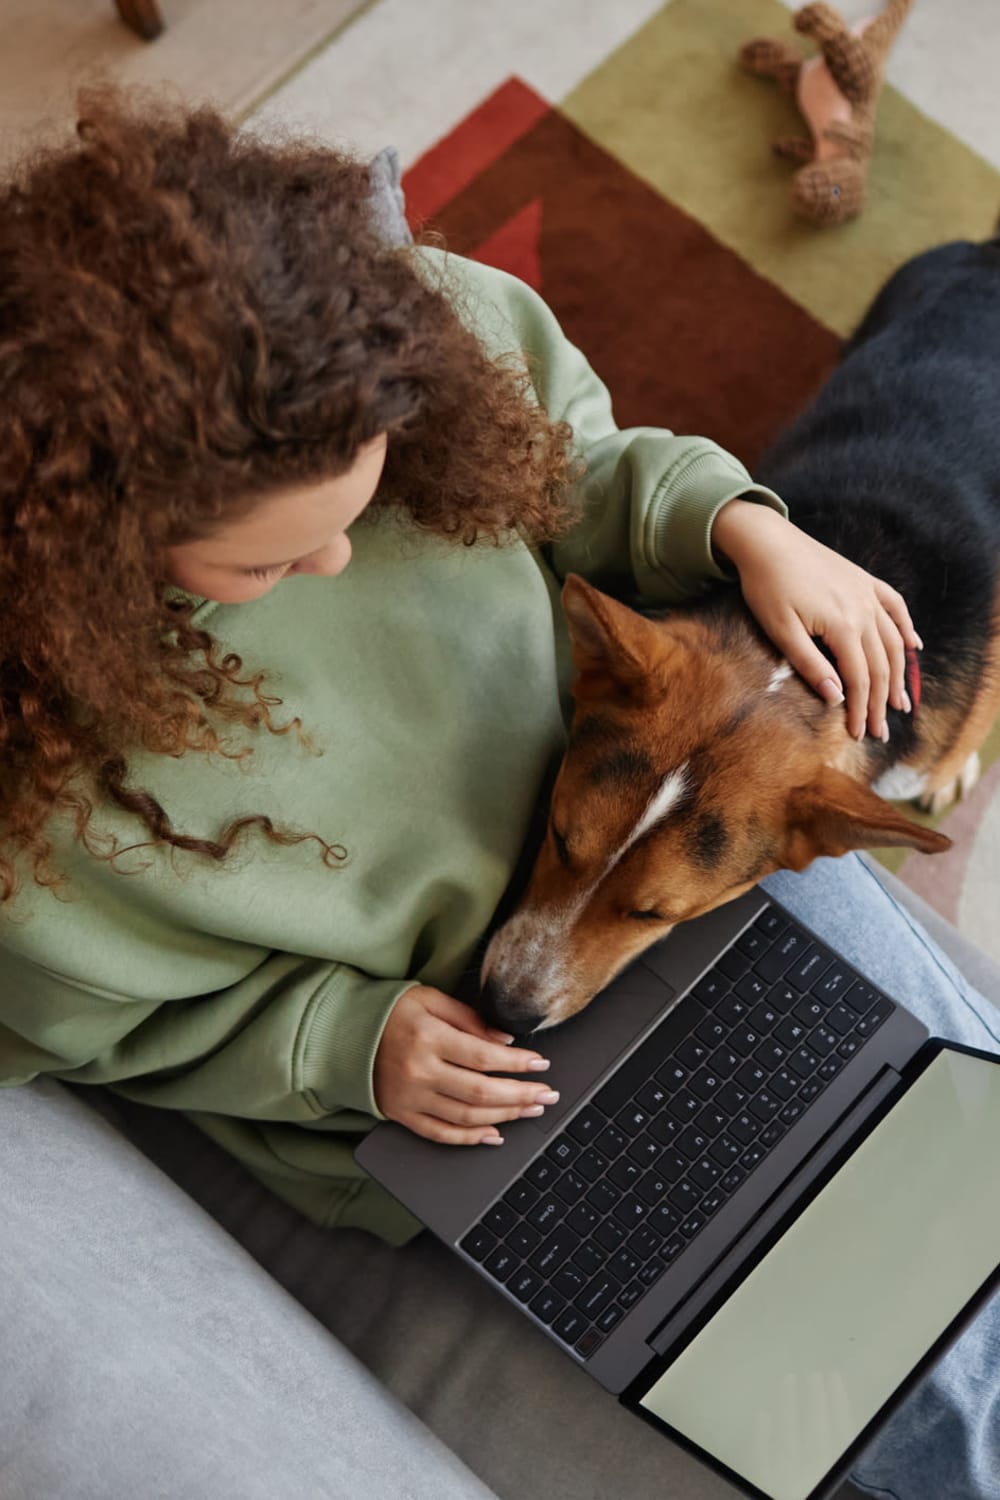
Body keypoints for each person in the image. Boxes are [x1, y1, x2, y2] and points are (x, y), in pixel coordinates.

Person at [0, 90, 994, 1497]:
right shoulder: (38, 827)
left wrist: (733, 525)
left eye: (364, 503)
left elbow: (571, 465)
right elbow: (96, 1030)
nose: (341, 563)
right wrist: (343, 1045)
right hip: (460, 1088)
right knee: (878, 1412)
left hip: (654, 846)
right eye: (271, 565)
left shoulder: (401, 347)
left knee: (964, 1150)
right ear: (88, 547)